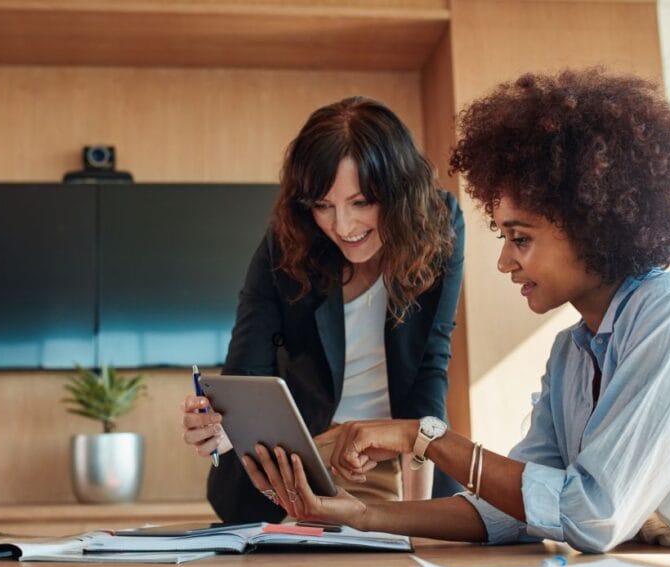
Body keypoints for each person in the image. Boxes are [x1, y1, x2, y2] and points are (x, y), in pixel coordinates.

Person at [241, 69, 670, 553]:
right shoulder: (569, 357)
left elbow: (590, 514)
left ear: (592, 226)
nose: (503, 260)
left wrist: (425, 436)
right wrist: (365, 515)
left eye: (521, 239)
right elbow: (513, 510)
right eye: (503, 238)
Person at [181, 96, 465, 522]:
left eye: (362, 202)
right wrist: (220, 428)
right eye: (323, 206)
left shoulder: (438, 225)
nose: (343, 227)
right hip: (297, 466)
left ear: (400, 193)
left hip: (401, 460)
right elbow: (247, 372)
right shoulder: (287, 241)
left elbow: (430, 366)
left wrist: (417, 516)